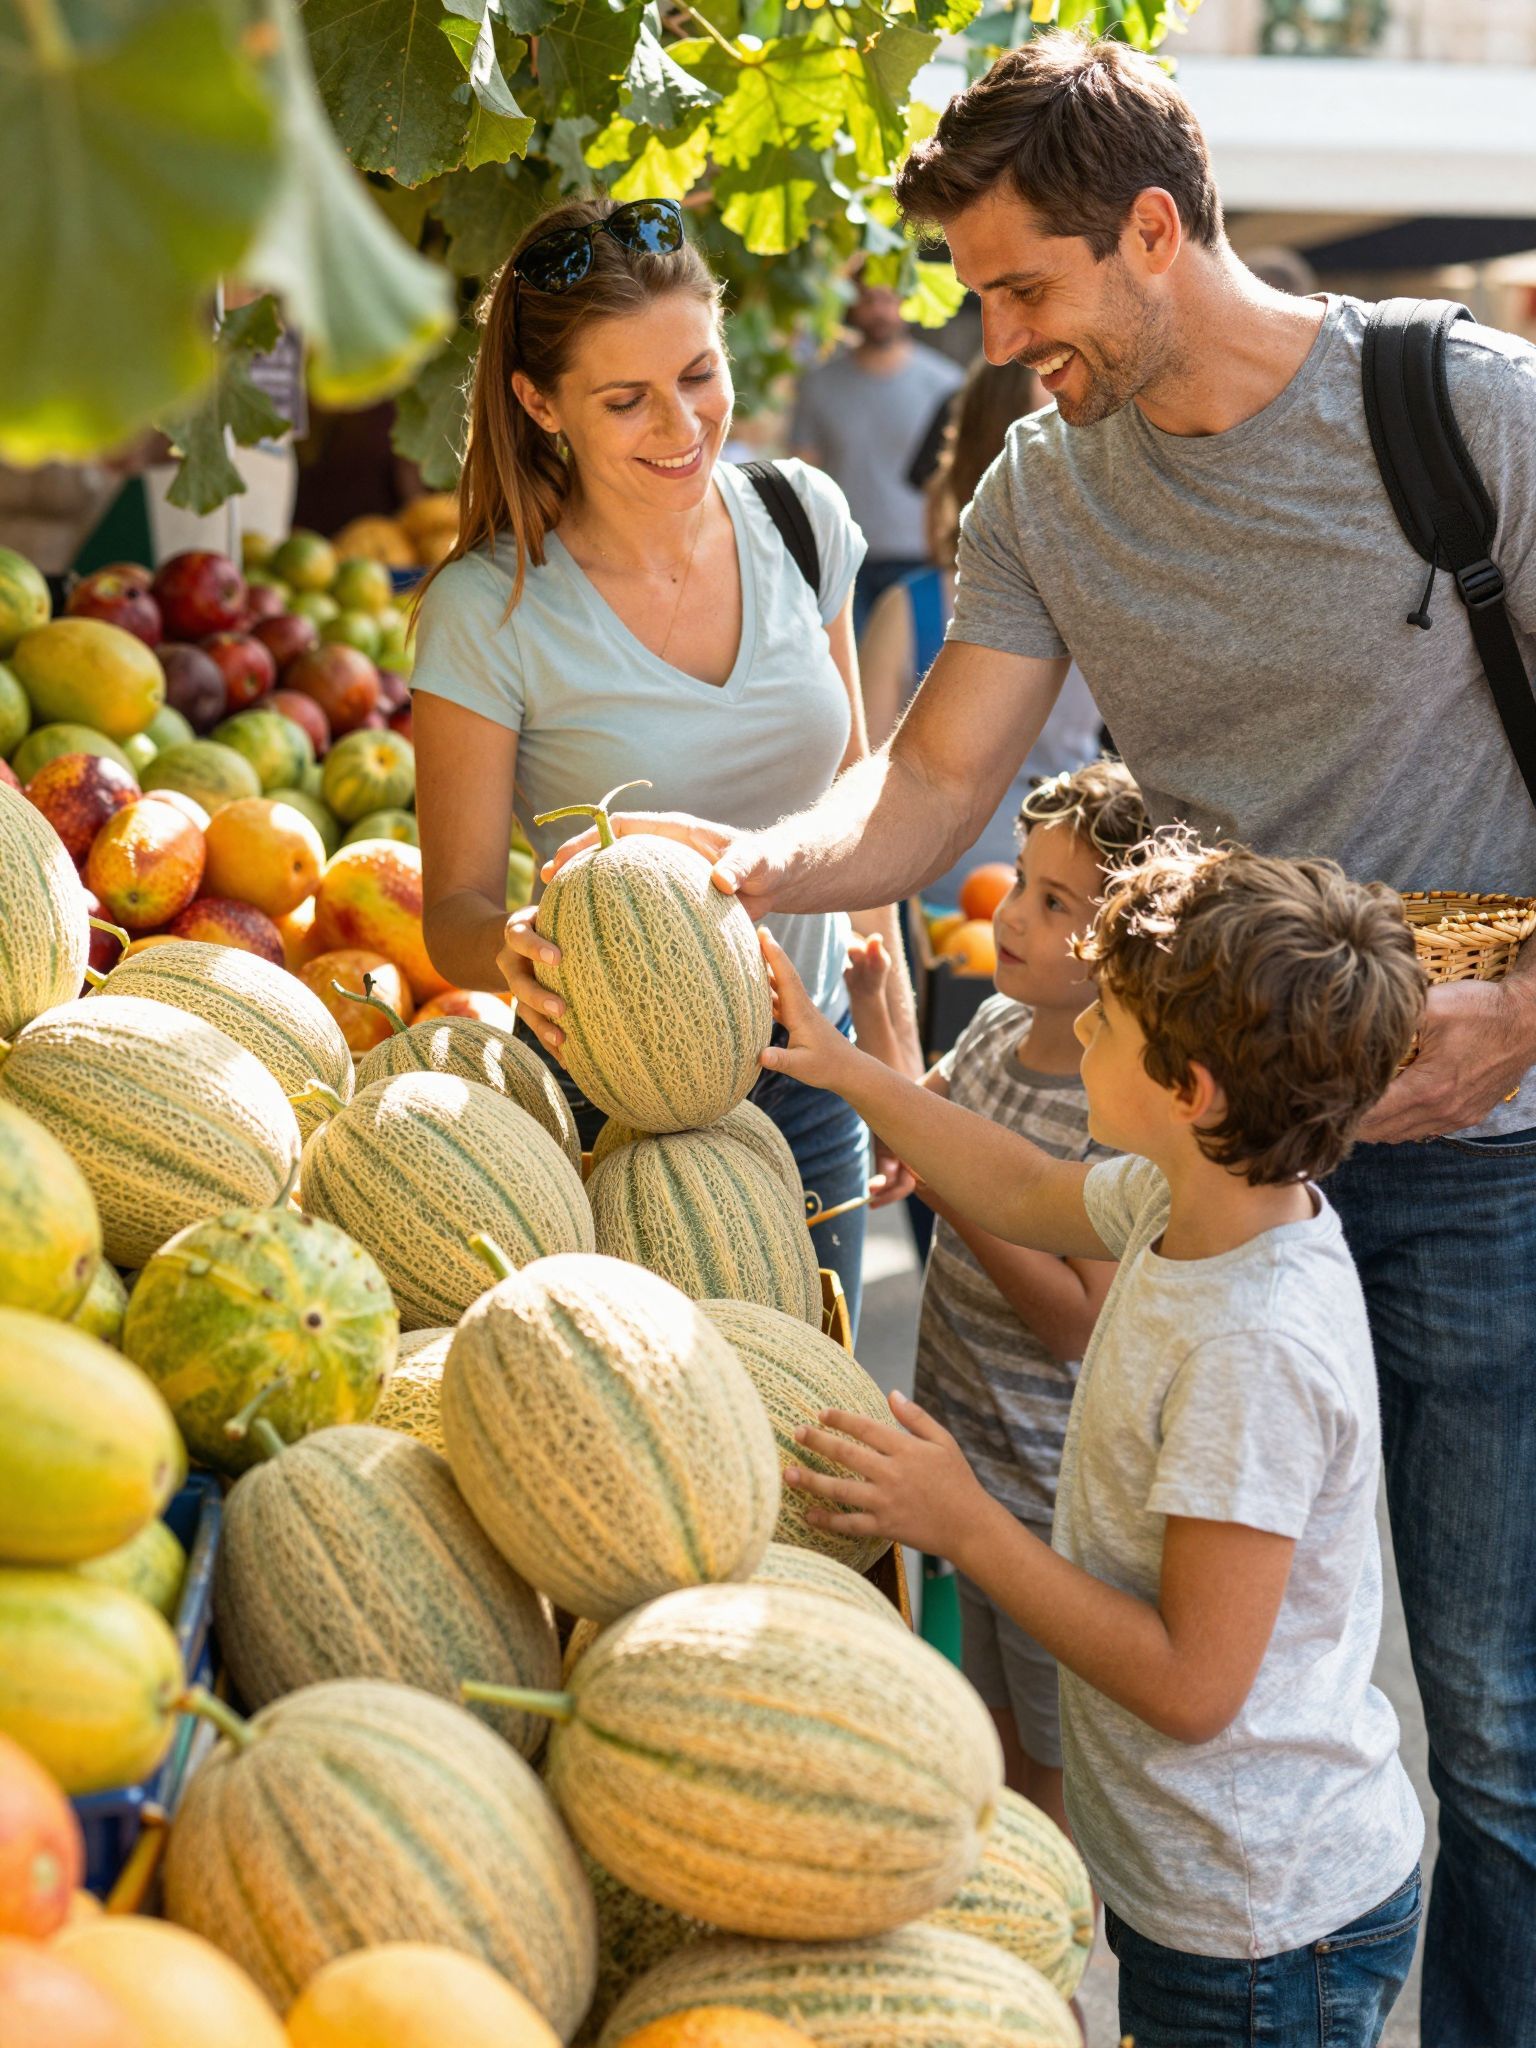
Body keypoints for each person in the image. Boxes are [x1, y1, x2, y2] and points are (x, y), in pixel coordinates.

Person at [525, 42, 1536, 2041]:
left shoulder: (1468, 414)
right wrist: (727, 864)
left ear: (1154, 230)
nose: (996, 338)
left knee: (1497, 1720)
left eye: (1025, 290)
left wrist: (1526, 1008)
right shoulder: (1045, 492)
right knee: (1261, 1658)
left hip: (1491, 1142)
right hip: (1216, 1166)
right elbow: (922, 790)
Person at [766, 838, 1427, 2047]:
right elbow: (1020, 1186)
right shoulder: (1194, 1197)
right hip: (1205, 1882)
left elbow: (1192, 1681)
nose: (1082, 1035)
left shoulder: (1253, 1344)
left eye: (1108, 1021)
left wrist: (966, 1522)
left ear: (1193, 1089)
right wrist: (846, 1066)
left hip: (1264, 1927)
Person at [407, 196, 921, 1335]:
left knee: (813, 1437)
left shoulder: (802, 516)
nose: (683, 423)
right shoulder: (483, 613)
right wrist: (505, 948)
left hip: (816, 1063)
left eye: (699, 373)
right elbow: (451, 905)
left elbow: (865, 800)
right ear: (540, 403)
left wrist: (893, 1062)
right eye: (626, 399)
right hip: (614, 1098)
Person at [845, 758, 1149, 1838]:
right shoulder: (985, 1029)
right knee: (981, 1747)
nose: (1012, 914)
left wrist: (950, 1187)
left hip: (1047, 1508)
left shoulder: (1117, 1106)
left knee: (1047, 1798)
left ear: (1124, 945)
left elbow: (1077, 1318)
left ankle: (1044, 1993)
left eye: (1055, 904)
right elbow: (928, 1116)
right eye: (1019, 881)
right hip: (959, 1466)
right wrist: (882, 1017)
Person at [858, 353, 1102, 905]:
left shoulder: (1109, 587)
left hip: (1063, 888)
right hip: (970, 899)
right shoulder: (911, 607)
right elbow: (862, 779)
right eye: (1052, 427)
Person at [789, 271, 963, 634]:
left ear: (904, 303)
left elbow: (960, 476)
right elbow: (802, 473)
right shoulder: (818, 384)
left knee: (917, 676)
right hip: (844, 557)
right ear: (851, 304)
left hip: (922, 556)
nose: (879, 310)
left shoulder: (946, 383)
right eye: (868, 299)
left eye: (888, 298)